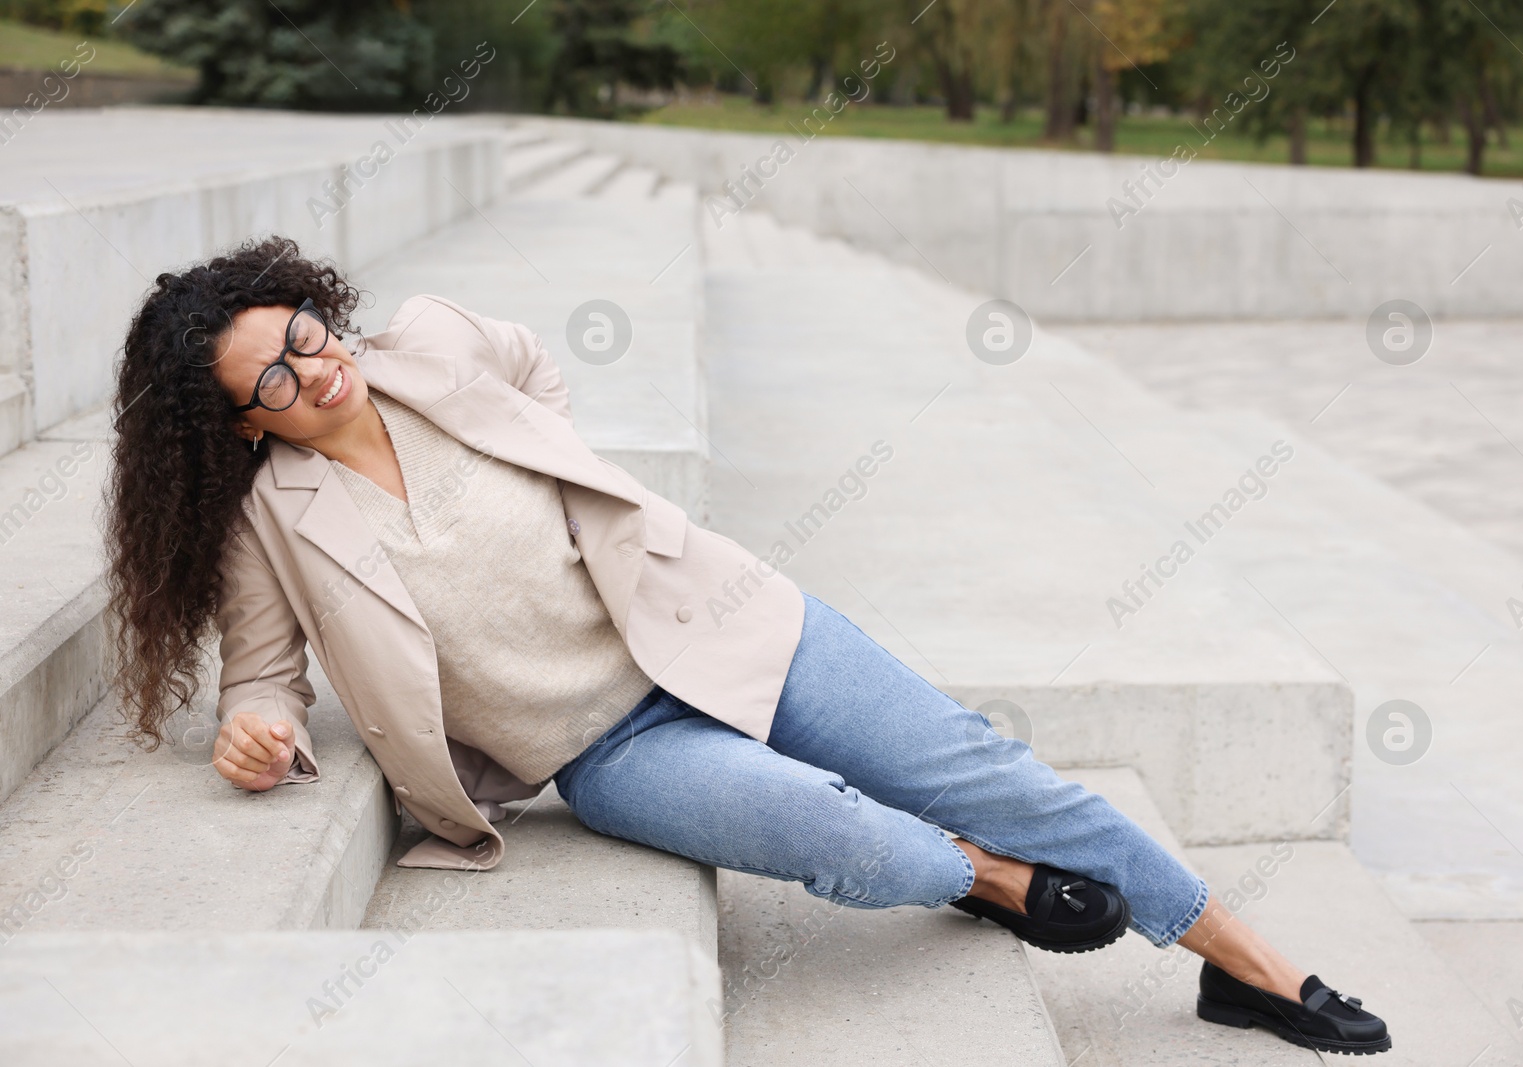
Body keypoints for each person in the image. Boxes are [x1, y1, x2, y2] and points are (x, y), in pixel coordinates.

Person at [105, 236, 1390, 1055]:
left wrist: (582, 484)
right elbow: (265, 677)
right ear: (238, 428)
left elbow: (534, 369)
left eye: (305, 337)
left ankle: (1244, 964)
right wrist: (253, 727)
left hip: (721, 622)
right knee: (848, 840)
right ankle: (991, 882)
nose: (312, 373)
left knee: (983, 765)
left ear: (322, 315)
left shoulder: (429, 346)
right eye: (268, 381)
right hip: (603, 747)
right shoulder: (270, 524)